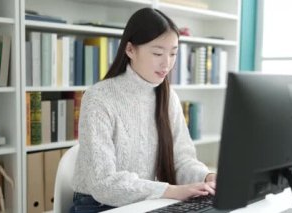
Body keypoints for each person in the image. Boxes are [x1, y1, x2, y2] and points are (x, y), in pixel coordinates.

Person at [70, 7, 216, 213]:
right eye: (157, 53)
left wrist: (206, 177)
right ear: (130, 50)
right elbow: (103, 183)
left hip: (144, 202)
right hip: (97, 205)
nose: (167, 63)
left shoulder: (168, 97)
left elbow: (181, 160)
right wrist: (171, 191)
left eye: (173, 53)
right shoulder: (99, 97)